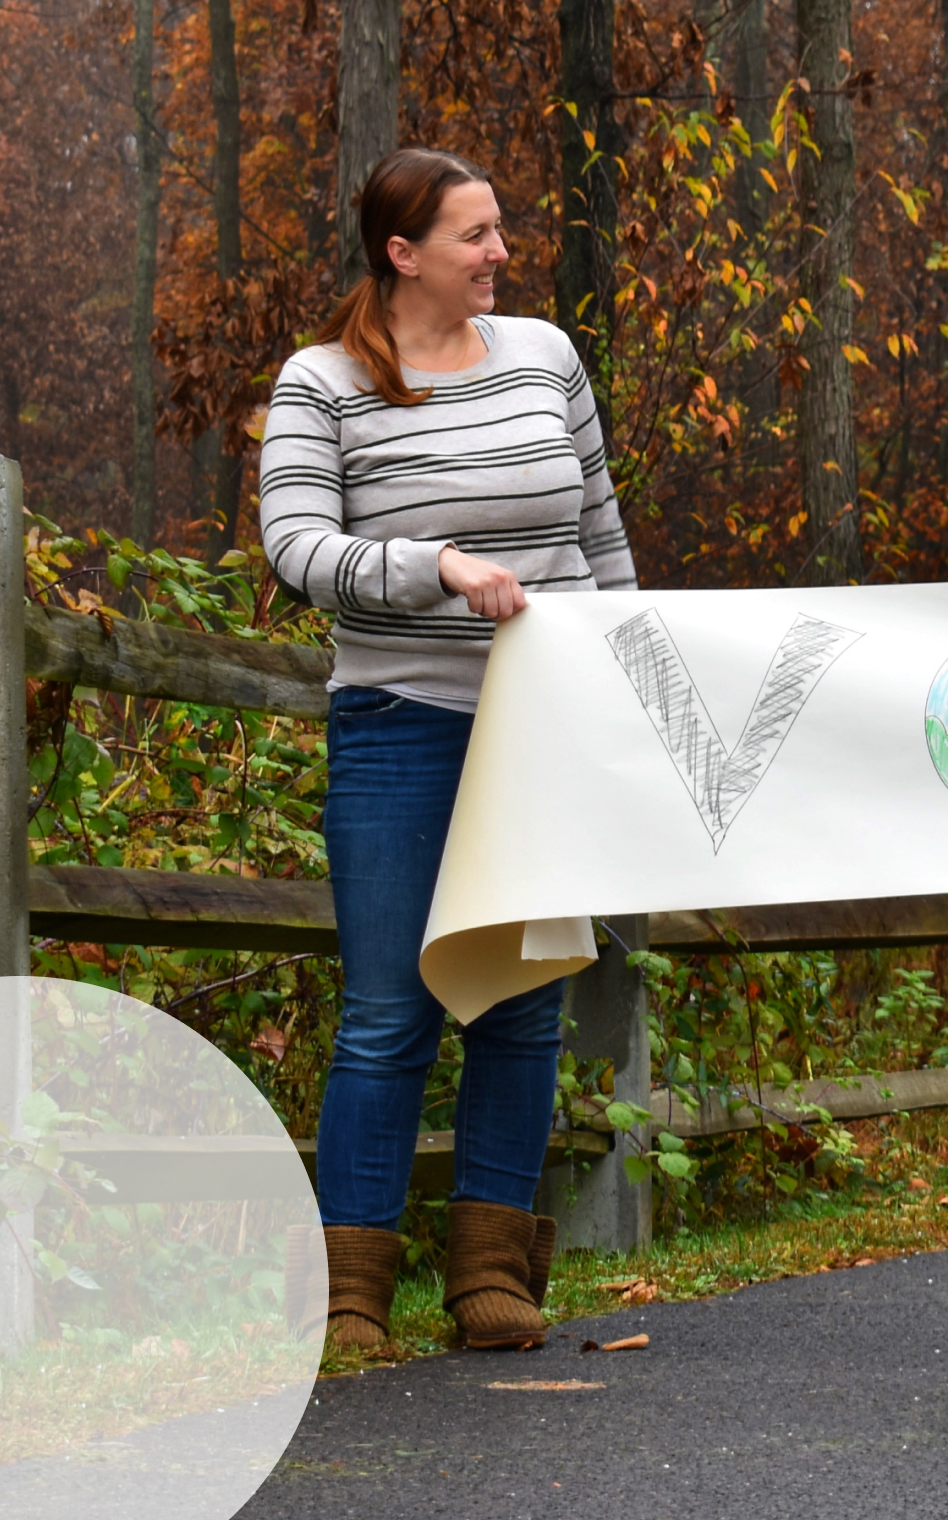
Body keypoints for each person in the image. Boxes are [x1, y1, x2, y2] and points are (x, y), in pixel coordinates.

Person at [259, 147, 637, 1353]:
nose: (501, 253)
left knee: (523, 1004)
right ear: (402, 251)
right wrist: (437, 568)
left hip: (546, 725)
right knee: (388, 1009)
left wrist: (631, 669)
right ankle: (350, 1291)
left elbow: (598, 524)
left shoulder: (545, 356)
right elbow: (299, 548)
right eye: (475, 235)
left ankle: (490, 1273)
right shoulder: (322, 383)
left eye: (500, 229)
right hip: (400, 723)